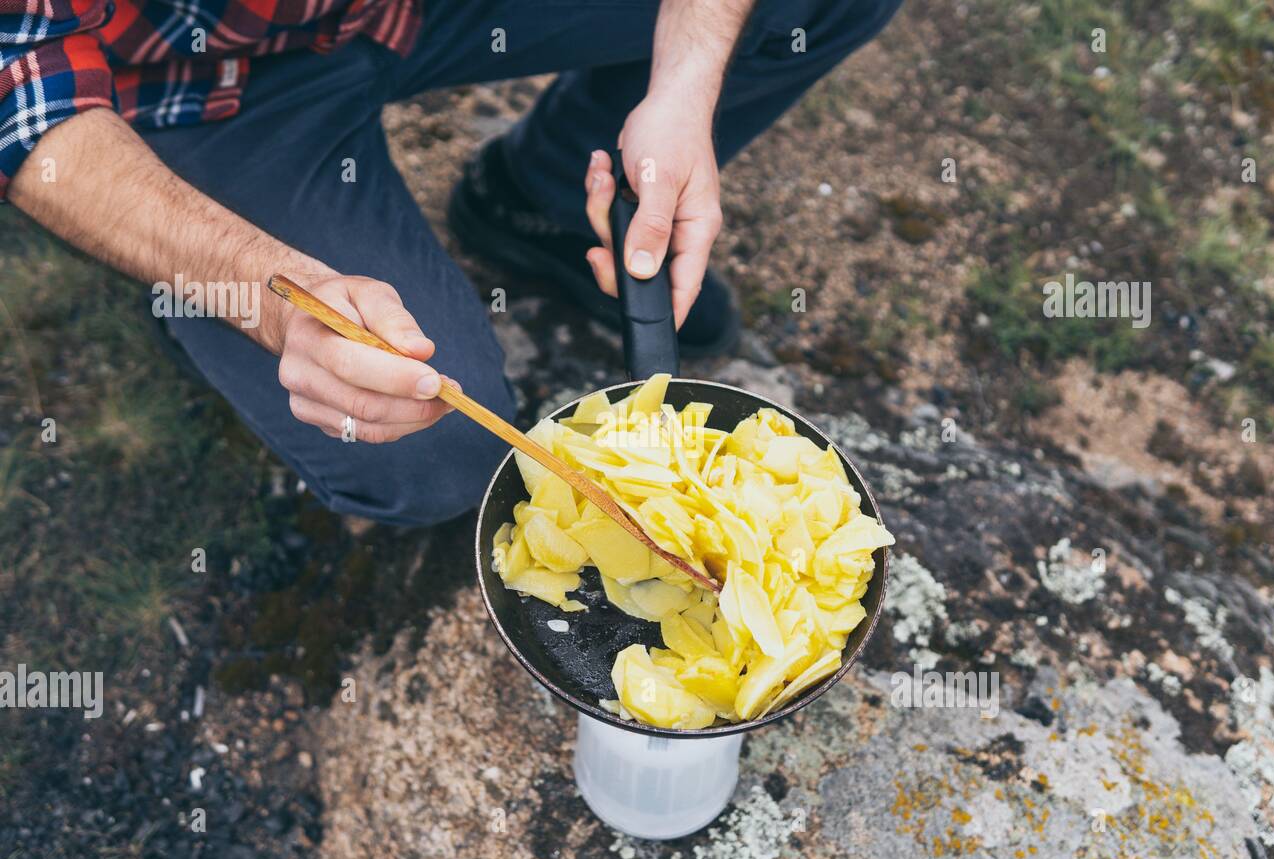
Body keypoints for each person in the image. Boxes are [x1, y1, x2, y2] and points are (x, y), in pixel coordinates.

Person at [3, 0, 902, 525]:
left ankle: (536, 204)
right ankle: (199, 274)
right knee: (437, 454)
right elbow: (21, 92)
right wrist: (273, 298)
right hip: (184, 90)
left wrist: (682, 86)